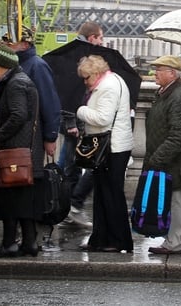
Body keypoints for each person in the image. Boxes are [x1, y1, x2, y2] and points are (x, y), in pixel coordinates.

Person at [0, 46, 42, 258]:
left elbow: (18, 115)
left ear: (6, 66)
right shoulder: (22, 80)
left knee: (9, 199)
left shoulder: (15, 84)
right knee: (23, 200)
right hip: (25, 152)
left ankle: (9, 244)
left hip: (13, 152)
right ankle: (29, 243)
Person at [144, 55, 181, 255]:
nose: (155, 73)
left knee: (175, 198)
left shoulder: (177, 96)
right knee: (178, 198)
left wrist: (158, 157)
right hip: (172, 157)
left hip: (176, 159)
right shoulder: (167, 92)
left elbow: (179, 135)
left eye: (159, 69)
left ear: (172, 73)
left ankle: (175, 242)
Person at [76, 55, 134, 252]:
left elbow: (103, 118)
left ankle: (116, 240)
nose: (85, 82)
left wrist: (81, 110)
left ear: (96, 73)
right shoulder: (111, 81)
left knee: (111, 195)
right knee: (103, 194)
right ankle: (101, 238)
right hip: (111, 146)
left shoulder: (108, 87)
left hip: (112, 148)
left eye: (86, 77)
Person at [58, 21, 106, 228]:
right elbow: (70, 93)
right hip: (75, 123)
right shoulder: (82, 57)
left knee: (69, 165)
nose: (102, 42)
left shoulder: (70, 52)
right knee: (73, 166)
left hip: (73, 121)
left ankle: (62, 205)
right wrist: (71, 122)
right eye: (101, 38)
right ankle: (67, 208)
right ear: (93, 37)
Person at [7, 26, 61, 164]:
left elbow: (49, 103)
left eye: (11, 42)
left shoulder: (37, 66)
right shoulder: (15, 64)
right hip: (19, 133)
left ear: (25, 44)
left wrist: (50, 137)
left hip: (32, 135)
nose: (7, 45)